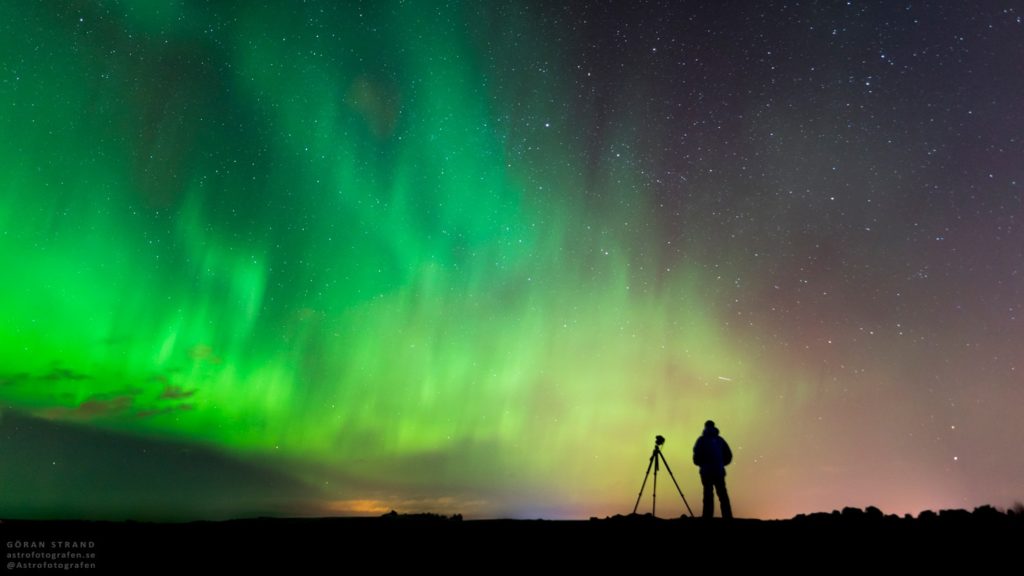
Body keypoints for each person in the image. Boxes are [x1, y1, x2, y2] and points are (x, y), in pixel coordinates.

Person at [692, 419, 733, 519]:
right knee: (722, 495)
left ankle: (707, 517)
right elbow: (728, 455)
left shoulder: (701, 440)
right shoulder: (720, 440)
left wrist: (701, 464)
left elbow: (696, 456)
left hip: (706, 472)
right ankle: (727, 517)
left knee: (708, 495)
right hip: (718, 471)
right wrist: (721, 464)